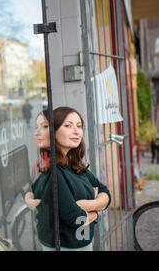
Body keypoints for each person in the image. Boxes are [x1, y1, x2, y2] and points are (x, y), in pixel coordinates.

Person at [24, 106, 111, 251]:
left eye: (79, 126)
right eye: (68, 126)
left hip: (80, 242)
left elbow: (104, 191)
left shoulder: (72, 162)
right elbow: (75, 218)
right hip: (65, 246)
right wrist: (97, 211)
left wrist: (88, 205)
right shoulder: (55, 171)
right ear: (54, 131)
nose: (76, 131)